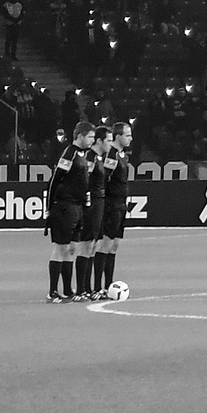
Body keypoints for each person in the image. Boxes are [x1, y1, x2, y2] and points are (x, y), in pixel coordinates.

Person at [44, 124, 89, 303]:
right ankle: (52, 292)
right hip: (64, 206)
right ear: (80, 136)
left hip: (77, 207)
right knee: (61, 247)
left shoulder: (81, 155)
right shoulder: (69, 153)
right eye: (90, 137)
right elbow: (55, 179)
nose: (92, 140)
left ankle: (68, 290)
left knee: (72, 248)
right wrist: (49, 207)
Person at [93, 121, 131, 298]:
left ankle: (109, 285)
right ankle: (98, 286)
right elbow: (103, 178)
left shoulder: (122, 155)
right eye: (127, 135)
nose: (131, 138)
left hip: (120, 204)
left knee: (114, 245)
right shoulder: (112, 156)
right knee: (106, 244)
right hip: (111, 205)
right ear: (118, 137)